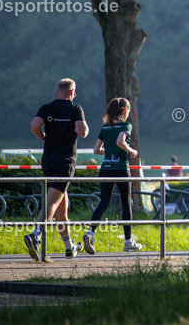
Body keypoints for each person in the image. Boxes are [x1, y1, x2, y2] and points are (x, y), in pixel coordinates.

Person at [24, 78, 89, 261]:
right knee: (52, 202)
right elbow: (82, 132)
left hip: (48, 161)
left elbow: (34, 126)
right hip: (65, 161)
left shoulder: (46, 108)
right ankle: (35, 235)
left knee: (62, 208)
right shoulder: (76, 109)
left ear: (57, 91)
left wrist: (44, 137)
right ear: (72, 92)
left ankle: (69, 247)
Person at [82, 98, 142, 254]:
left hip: (106, 168)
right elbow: (120, 141)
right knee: (126, 202)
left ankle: (90, 232)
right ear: (125, 111)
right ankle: (128, 241)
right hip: (121, 168)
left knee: (104, 202)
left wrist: (109, 152)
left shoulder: (106, 127)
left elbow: (96, 150)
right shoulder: (125, 125)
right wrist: (131, 151)